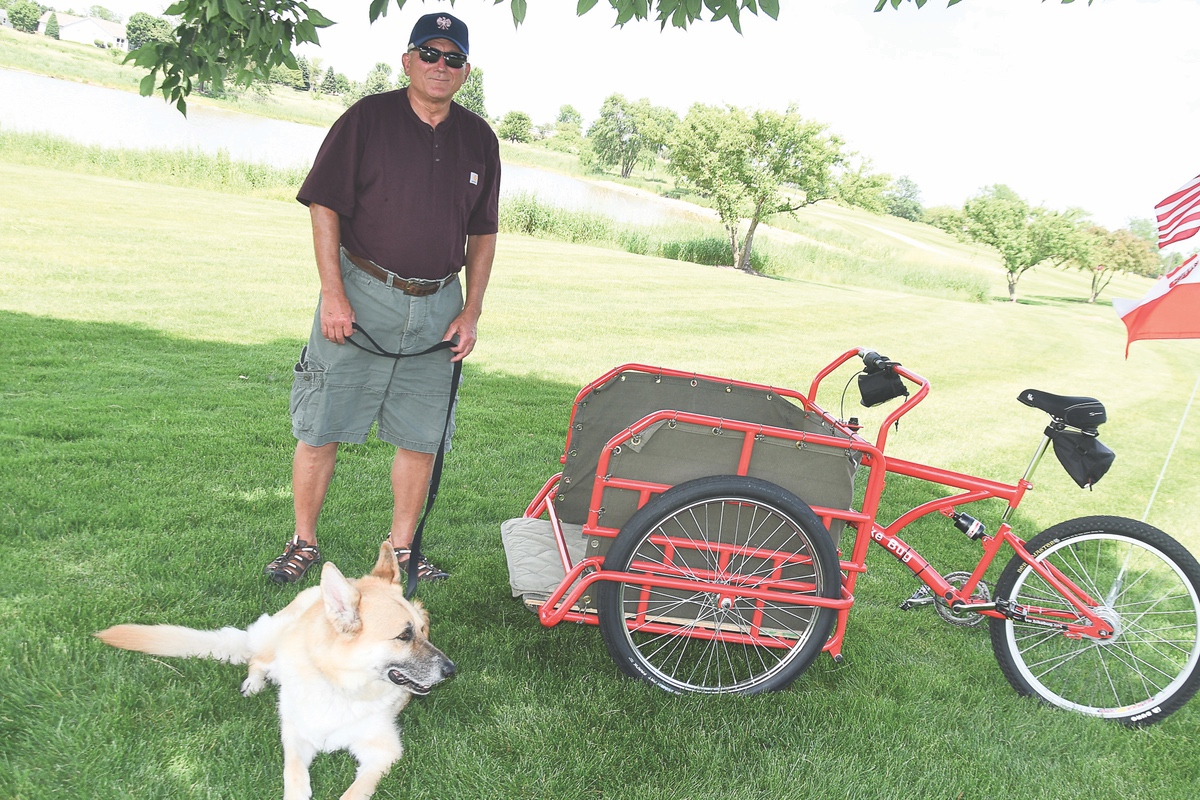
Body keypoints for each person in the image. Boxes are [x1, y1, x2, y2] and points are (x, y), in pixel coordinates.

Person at [264, 11, 500, 584]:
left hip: (440, 305)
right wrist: (333, 295)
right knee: (321, 426)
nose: (440, 66)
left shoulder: (479, 139)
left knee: (421, 438)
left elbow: (483, 232)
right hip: (361, 294)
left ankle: (401, 550)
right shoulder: (366, 119)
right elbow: (325, 206)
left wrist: (470, 311)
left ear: (465, 71)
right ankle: (303, 542)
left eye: (453, 58)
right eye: (429, 53)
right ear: (408, 60)